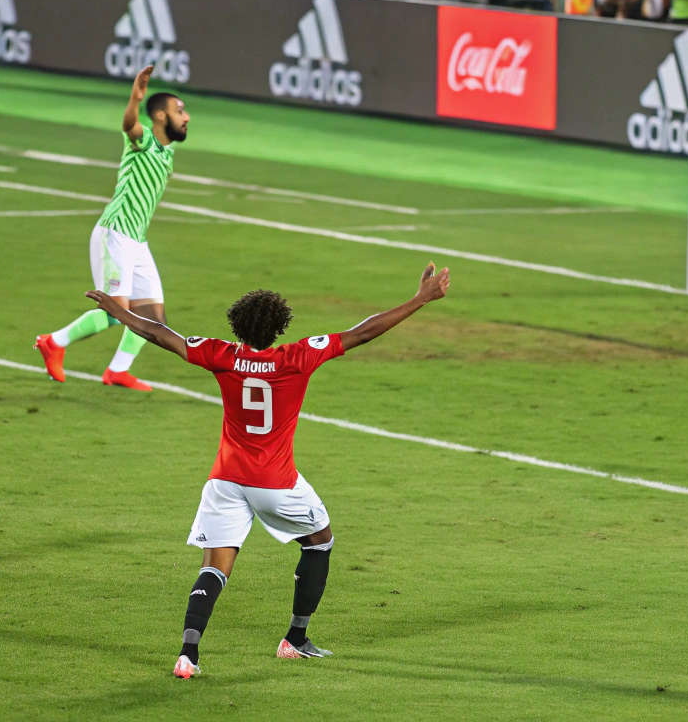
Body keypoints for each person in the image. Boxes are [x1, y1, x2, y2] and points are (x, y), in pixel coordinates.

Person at [84, 261, 452, 675]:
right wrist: (420, 299)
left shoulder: (220, 354)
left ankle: (188, 654)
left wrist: (119, 312)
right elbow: (363, 331)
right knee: (320, 540)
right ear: (280, 327)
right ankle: (295, 639)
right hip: (276, 483)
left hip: (225, 480)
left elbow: (159, 334)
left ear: (237, 326)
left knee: (214, 567)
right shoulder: (298, 357)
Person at [35, 65, 189, 392]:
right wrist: (135, 98)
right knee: (118, 312)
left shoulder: (166, 150)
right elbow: (130, 125)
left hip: (137, 241)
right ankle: (53, 342)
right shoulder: (143, 140)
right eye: (180, 111)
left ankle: (118, 370)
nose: (187, 117)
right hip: (116, 233)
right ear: (160, 116)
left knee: (153, 318)